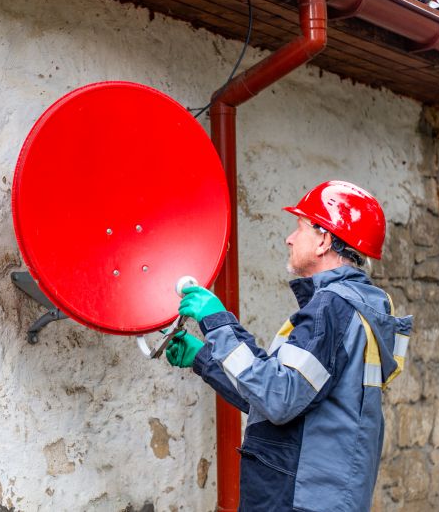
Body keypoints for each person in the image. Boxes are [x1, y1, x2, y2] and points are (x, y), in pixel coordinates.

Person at [166, 180, 413, 511]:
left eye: (299, 228)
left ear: (323, 240)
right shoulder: (356, 309)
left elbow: (278, 398)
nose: (289, 238)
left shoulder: (332, 308)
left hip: (299, 498)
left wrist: (218, 322)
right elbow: (278, 398)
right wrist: (205, 357)